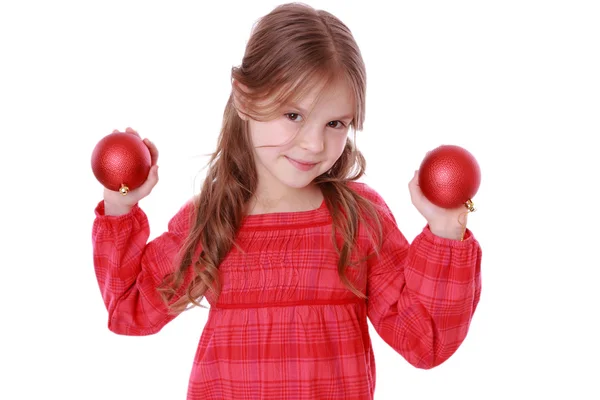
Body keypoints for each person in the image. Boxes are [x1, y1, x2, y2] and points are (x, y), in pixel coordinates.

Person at [91, 3, 482, 399]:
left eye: (335, 124)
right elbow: (130, 310)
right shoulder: (212, 219)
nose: (314, 144)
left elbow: (424, 341)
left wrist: (446, 231)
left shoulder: (357, 219)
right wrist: (120, 206)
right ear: (244, 97)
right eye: (293, 115)